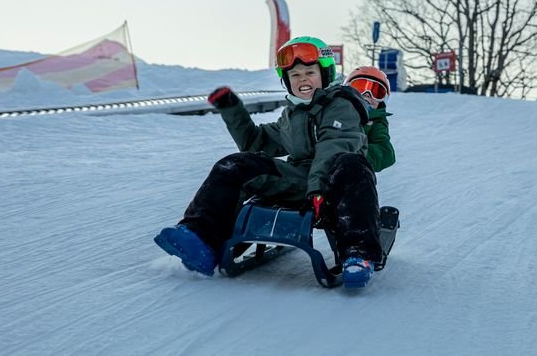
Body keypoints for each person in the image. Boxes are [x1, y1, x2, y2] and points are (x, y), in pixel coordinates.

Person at [154, 36, 383, 287]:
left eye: (309, 72)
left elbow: (333, 147)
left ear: (326, 75)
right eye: (294, 75)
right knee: (235, 165)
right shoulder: (293, 115)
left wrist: (317, 190)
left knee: (352, 164)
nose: (302, 79)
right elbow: (257, 143)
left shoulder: (342, 106)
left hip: (334, 187)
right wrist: (232, 109)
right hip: (300, 182)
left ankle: (358, 255)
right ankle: (200, 239)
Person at [344, 66, 396, 173]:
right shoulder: (334, 111)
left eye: (376, 92)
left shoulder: (377, 120)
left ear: (382, 100)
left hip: (356, 175)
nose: (367, 95)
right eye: (360, 88)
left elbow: (386, 153)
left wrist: (355, 154)